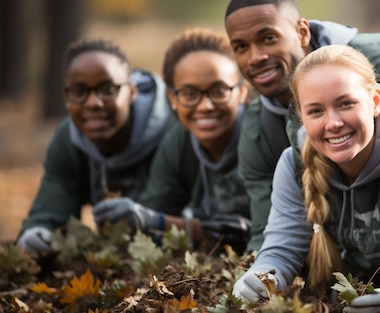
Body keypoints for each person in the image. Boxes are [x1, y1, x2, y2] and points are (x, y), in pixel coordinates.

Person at [232, 45, 380, 313]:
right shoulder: (293, 165)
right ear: (301, 116)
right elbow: (282, 249)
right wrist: (261, 277)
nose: (333, 123)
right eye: (315, 111)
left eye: (346, 104)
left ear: (375, 101)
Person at [224, 0, 380, 252]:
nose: (256, 57)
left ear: (302, 32)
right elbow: (268, 230)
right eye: (241, 47)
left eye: (269, 38)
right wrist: (260, 275)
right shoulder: (259, 129)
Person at [91, 28, 252, 254]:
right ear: (171, 97)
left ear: (242, 92)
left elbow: (265, 232)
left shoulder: (262, 137)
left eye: (219, 91)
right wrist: (132, 218)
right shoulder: (178, 141)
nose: (205, 106)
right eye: (189, 94)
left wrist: (159, 222)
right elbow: (153, 212)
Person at [15, 38, 174, 255]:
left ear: (132, 92)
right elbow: (52, 205)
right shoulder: (69, 138)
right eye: (79, 91)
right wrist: (37, 233)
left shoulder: (173, 130)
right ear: (67, 96)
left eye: (108, 89)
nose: (93, 103)